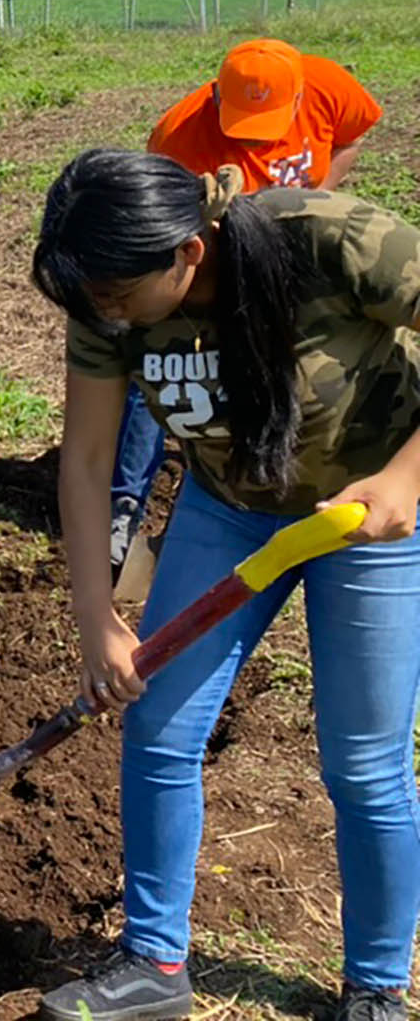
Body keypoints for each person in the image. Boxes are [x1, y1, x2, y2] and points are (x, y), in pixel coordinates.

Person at [32, 149, 420, 1021]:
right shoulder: (106, 294)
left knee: (365, 766)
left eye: (119, 296)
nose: (105, 313)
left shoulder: (330, 240)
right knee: (161, 729)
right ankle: (155, 966)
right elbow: (90, 459)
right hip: (228, 507)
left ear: (188, 253)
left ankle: (376, 987)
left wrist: (406, 478)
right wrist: (96, 617)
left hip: (366, 515)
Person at [109, 39, 383, 573]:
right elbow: (161, 233)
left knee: (281, 365)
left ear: (300, 95)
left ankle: (283, 478)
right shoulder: (177, 136)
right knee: (163, 372)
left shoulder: (330, 87)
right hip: (213, 267)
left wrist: (315, 197)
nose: (254, 138)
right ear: (215, 98)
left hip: (290, 258)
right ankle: (126, 504)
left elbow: (353, 138)